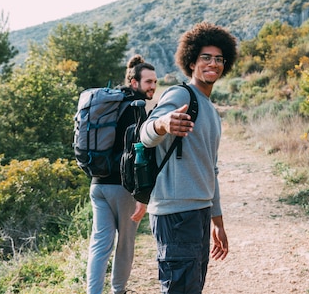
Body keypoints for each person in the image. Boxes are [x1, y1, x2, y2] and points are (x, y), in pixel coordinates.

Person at [139, 22, 238, 293]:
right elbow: (144, 133)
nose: (213, 63)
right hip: (175, 213)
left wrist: (217, 221)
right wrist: (163, 124)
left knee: (191, 288)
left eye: (219, 59)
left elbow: (211, 170)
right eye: (206, 57)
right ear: (192, 62)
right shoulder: (180, 94)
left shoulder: (211, 110)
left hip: (199, 213)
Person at [86, 55, 158, 294]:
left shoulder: (109, 103)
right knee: (125, 244)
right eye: (148, 81)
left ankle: (93, 292)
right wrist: (143, 194)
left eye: (155, 82)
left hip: (98, 185)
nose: (153, 86)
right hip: (122, 187)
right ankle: (119, 291)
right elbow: (141, 154)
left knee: (100, 244)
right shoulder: (135, 109)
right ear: (133, 81)